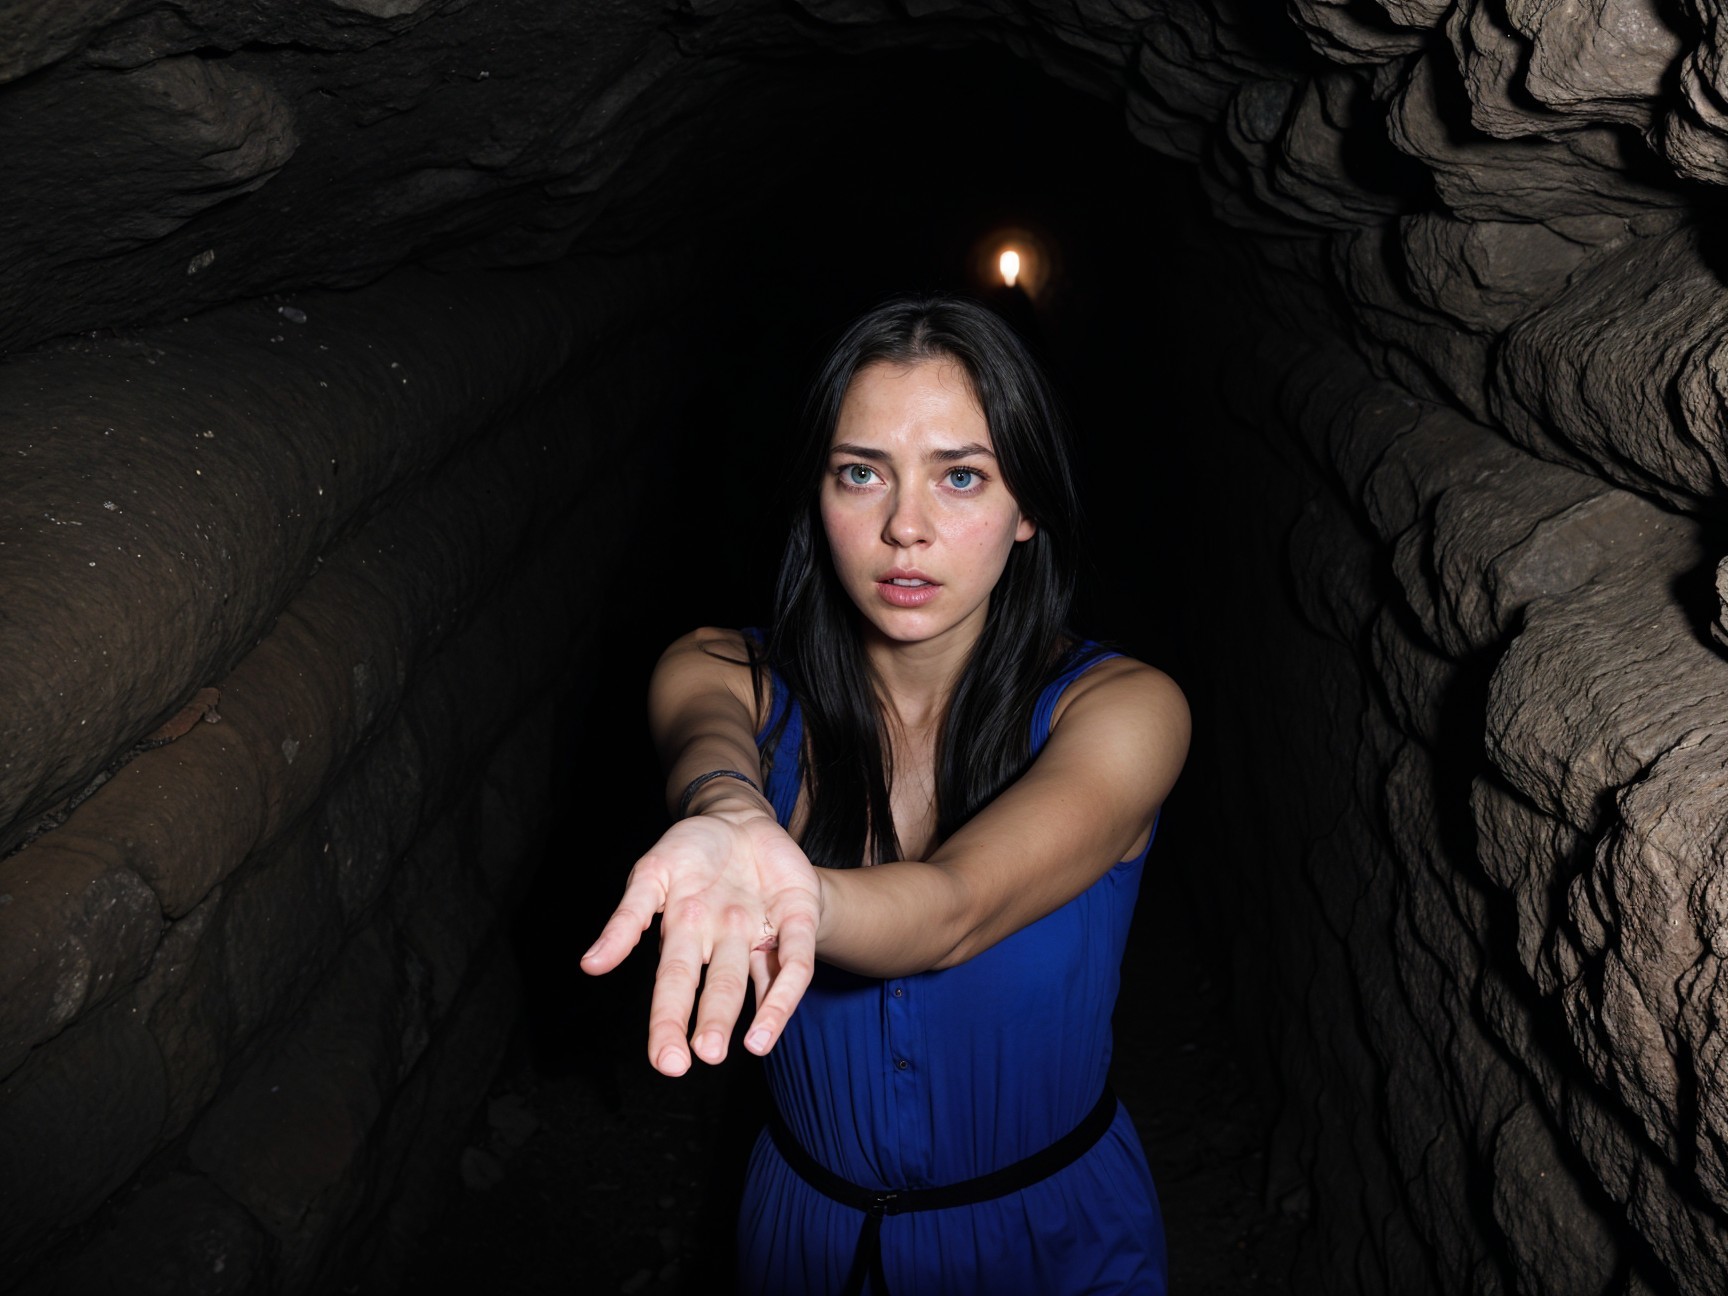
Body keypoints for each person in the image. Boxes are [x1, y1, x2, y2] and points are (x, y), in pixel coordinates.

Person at [581, 294, 1190, 1295]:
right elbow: (709, 741)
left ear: (1028, 505)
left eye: (962, 476)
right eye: (860, 473)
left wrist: (800, 895)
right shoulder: (719, 668)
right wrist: (730, 813)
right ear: (815, 498)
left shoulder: (1125, 712)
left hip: (1050, 1245)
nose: (905, 527)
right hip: (806, 1242)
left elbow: (952, 911)